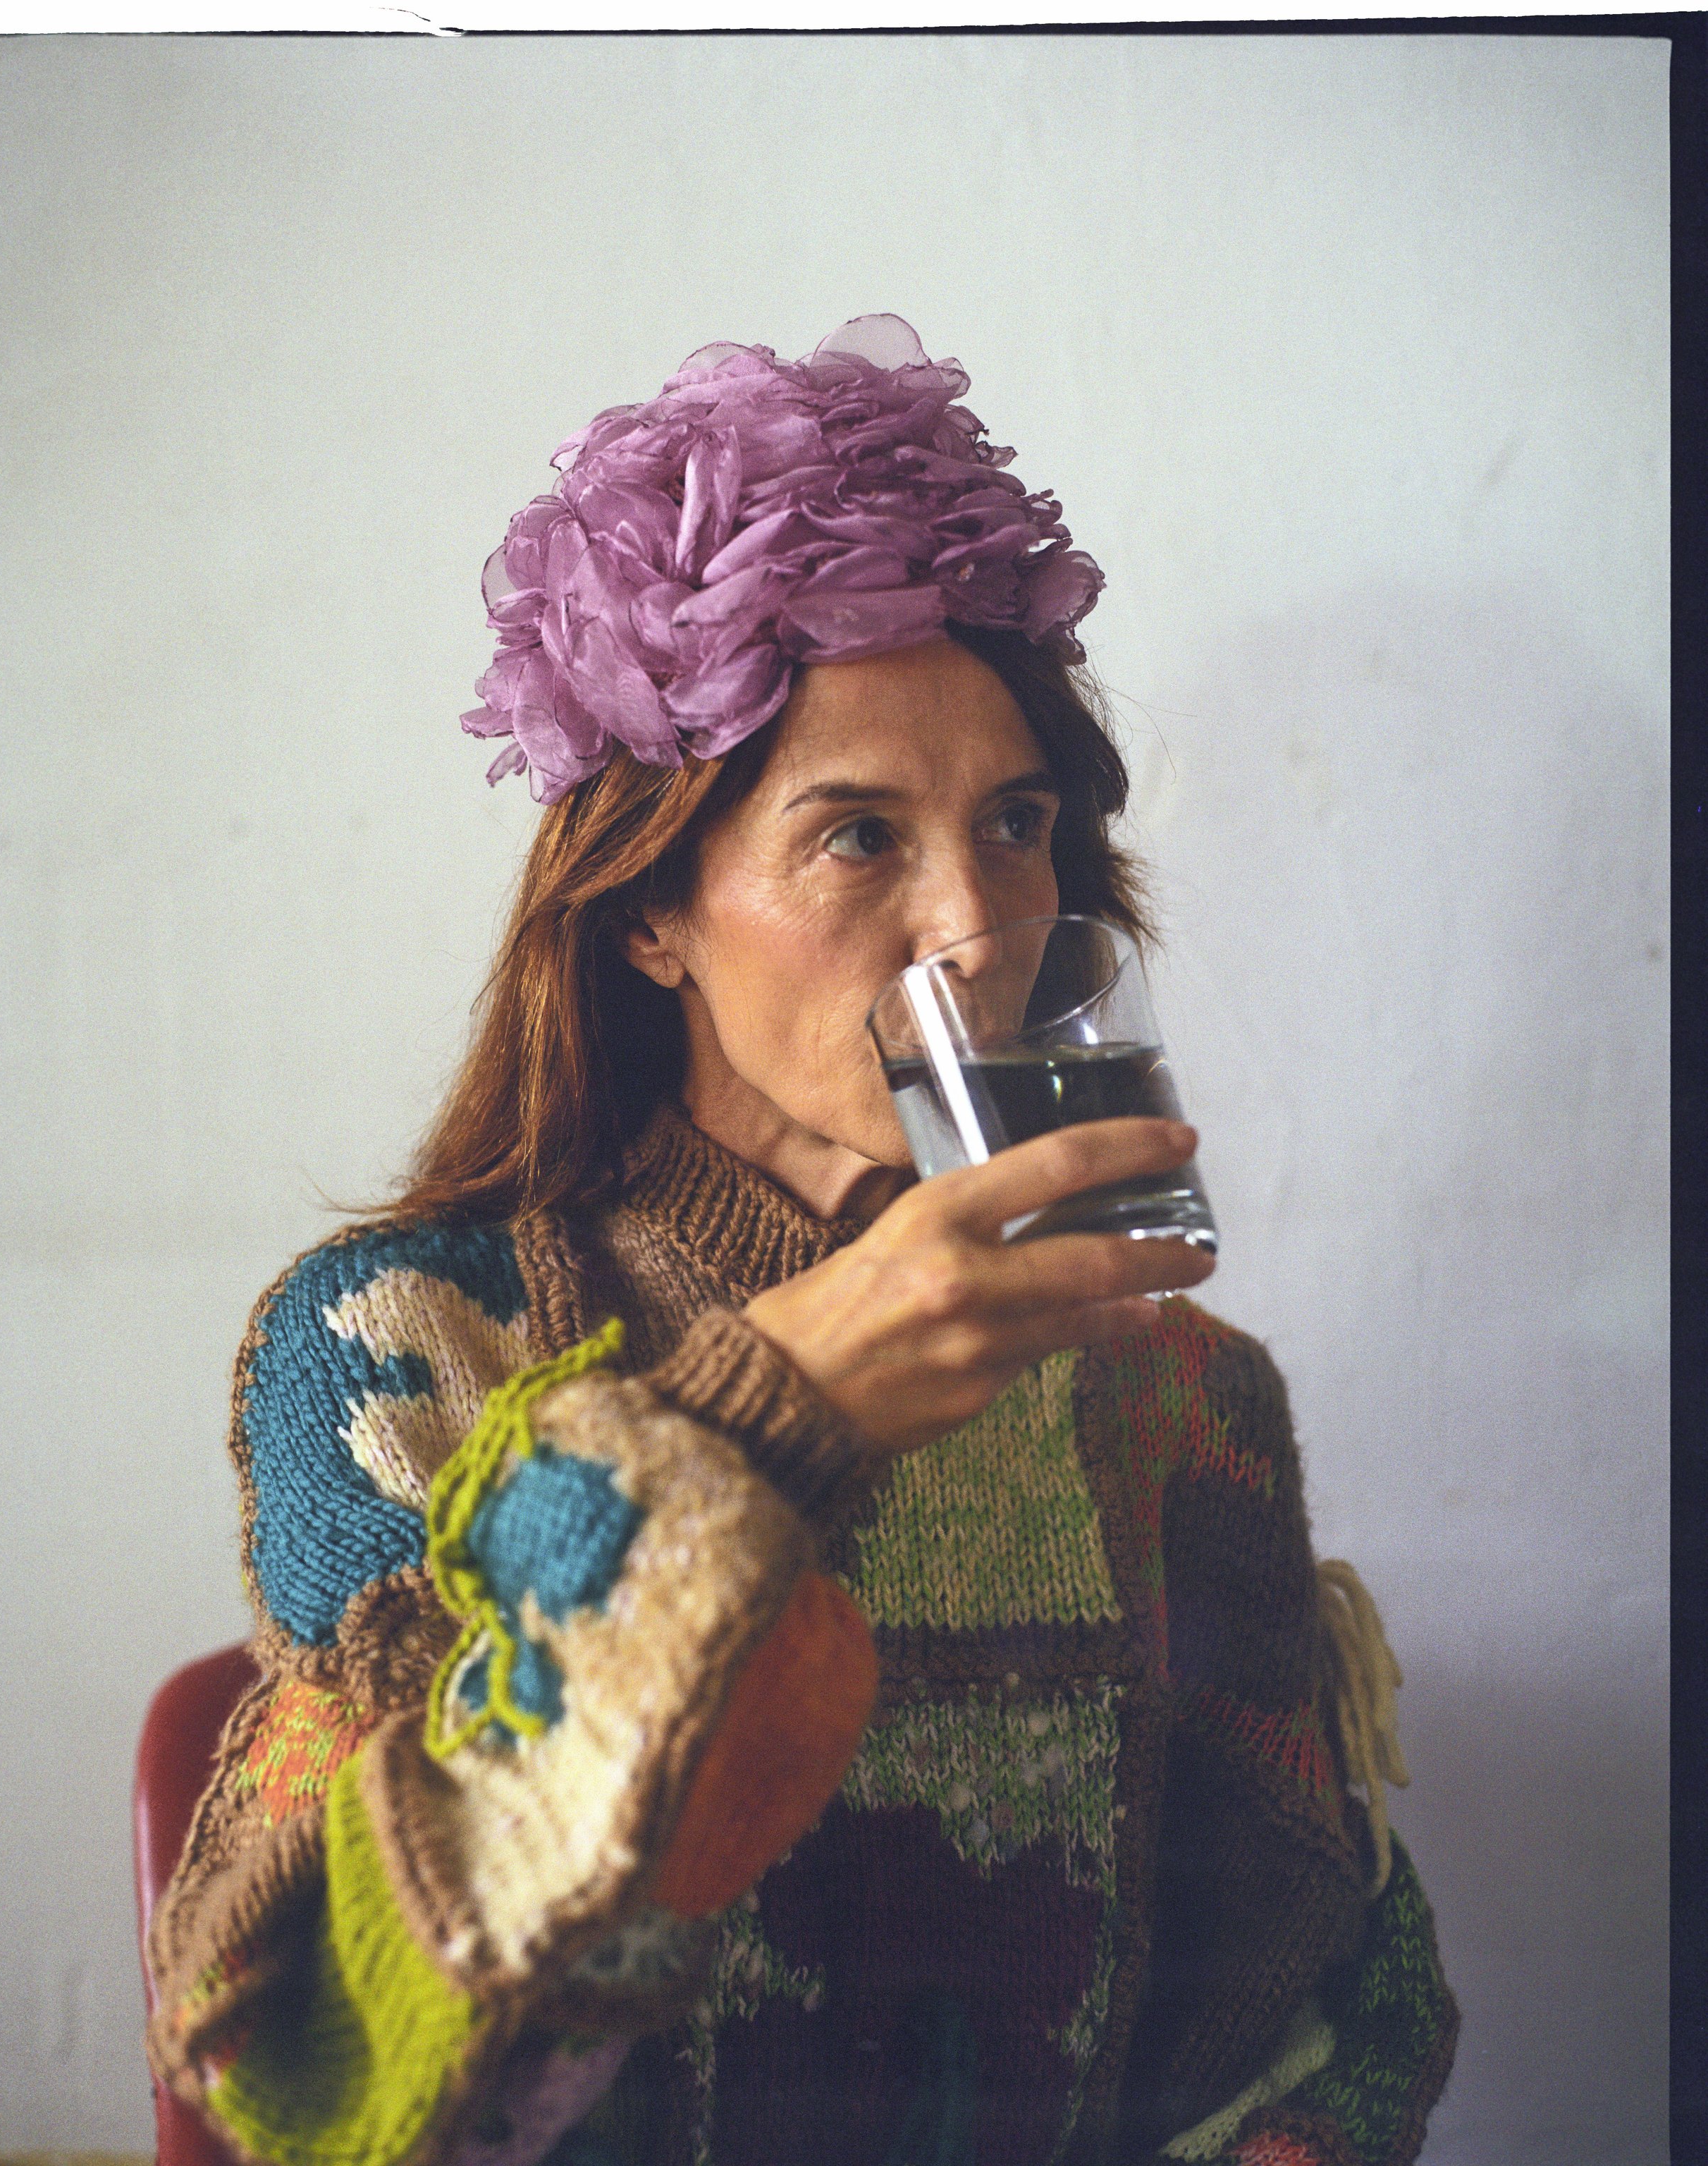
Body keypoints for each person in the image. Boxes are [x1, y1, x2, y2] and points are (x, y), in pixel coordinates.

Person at [145, 317, 1458, 2166]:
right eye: (856, 839)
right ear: (649, 914)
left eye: (1017, 825)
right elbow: (364, 2049)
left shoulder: (1182, 1392)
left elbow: (1319, 2000)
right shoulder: (405, 1341)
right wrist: (765, 1421)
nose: (979, 925)